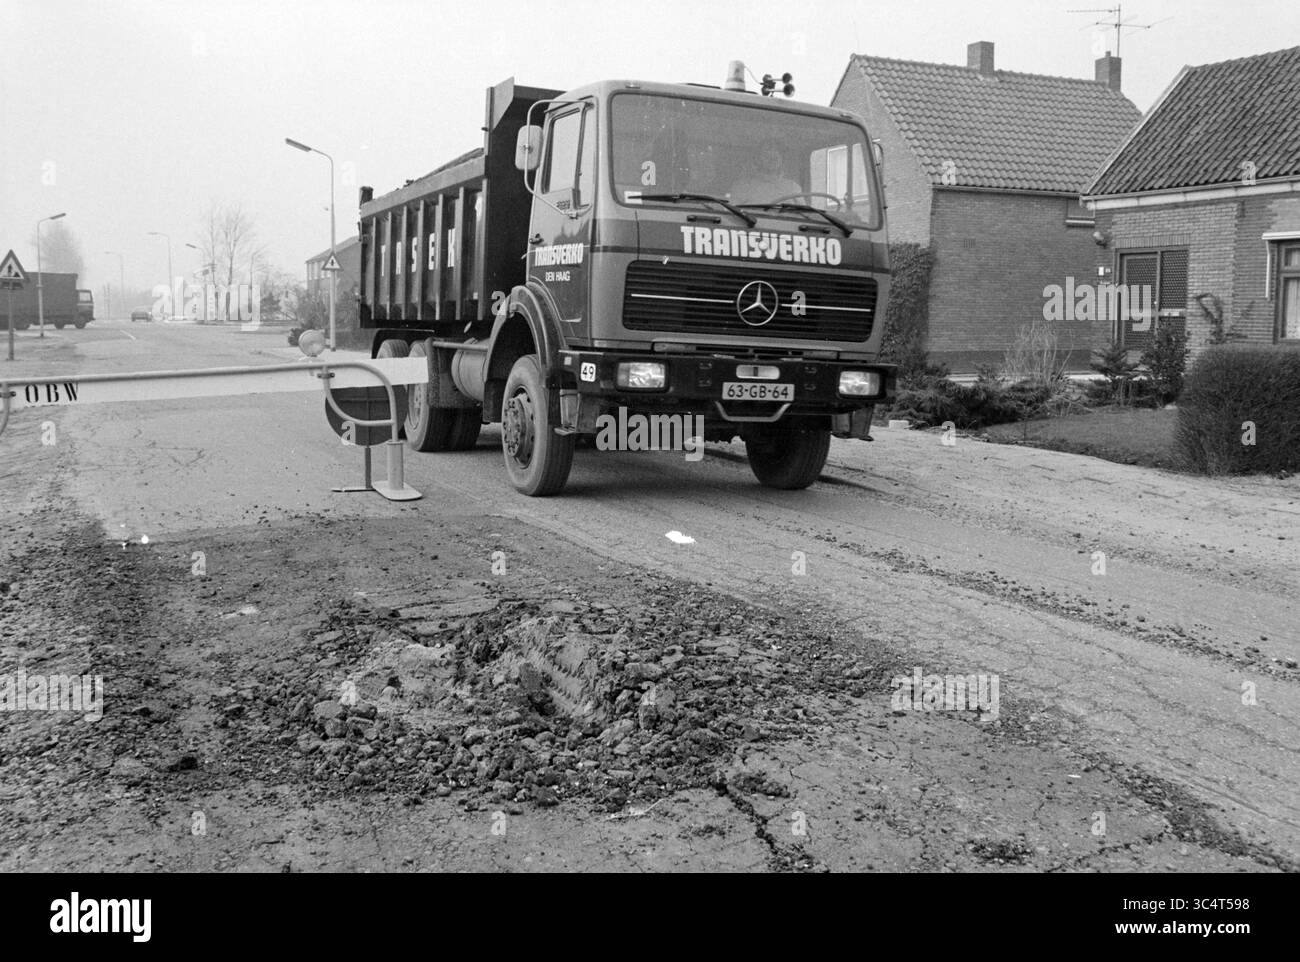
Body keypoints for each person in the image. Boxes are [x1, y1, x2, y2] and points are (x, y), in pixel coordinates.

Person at [729, 140, 802, 204]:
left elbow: (803, 215)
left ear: (782, 160)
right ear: (757, 159)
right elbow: (732, 215)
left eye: (775, 157)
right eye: (767, 156)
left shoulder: (793, 187)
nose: (771, 160)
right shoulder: (742, 187)